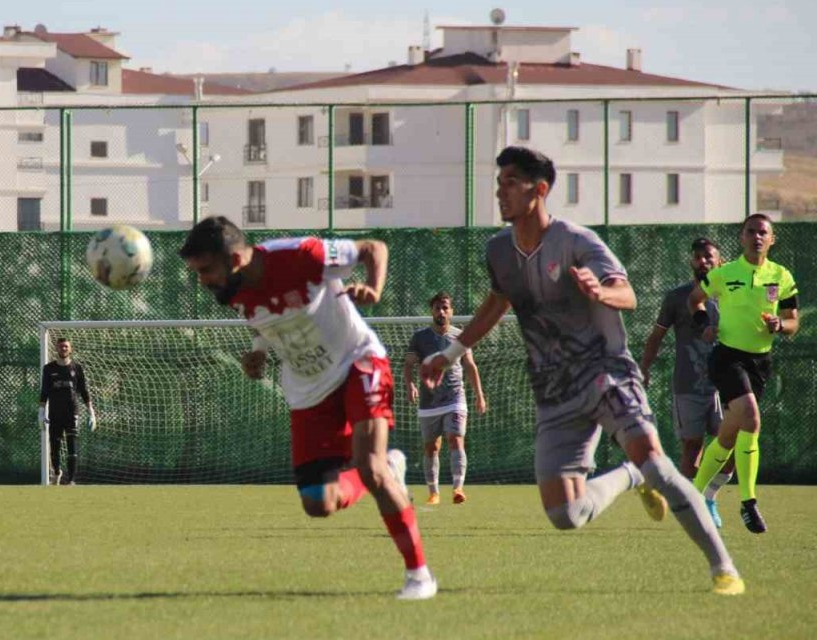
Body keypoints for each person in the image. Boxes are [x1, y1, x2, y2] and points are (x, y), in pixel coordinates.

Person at [421, 147, 743, 595]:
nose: (500, 190)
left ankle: (723, 567)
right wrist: (451, 352)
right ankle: (628, 477)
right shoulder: (498, 250)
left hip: (606, 371)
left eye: (510, 181)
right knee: (564, 514)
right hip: (554, 390)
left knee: (652, 458)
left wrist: (600, 291)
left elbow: (627, 294)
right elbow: (498, 301)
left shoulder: (576, 241)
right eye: (499, 181)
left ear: (540, 190)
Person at [179, 216, 437, 600]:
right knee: (318, 503)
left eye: (205, 270)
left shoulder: (302, 254)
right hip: (309, 387)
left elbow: (373, 249)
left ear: (234, 259)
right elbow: (260, 321)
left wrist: (374, 286)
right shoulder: (233, 292)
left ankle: (419, 576)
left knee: (369, 466)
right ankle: (391, 466)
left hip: (358, 361)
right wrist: (258, 352)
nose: (202, 280)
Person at [689, 214, 799, 534]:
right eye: (750, 231)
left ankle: (698, 495)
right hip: (727, 358)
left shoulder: (781, 276)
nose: (756, 237)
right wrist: (703, 325)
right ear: (741, 237)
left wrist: (781, 325)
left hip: (759, 363)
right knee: (751, 418)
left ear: (772, 239)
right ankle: (748, 503)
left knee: (728, 435)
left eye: (763, 232)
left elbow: (792, 321)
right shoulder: (724, 274)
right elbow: (695, 300)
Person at [638, 238, 733, 527]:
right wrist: (643, 368)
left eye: (708, 256)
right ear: (691, 262)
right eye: (697, 257)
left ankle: (709, 498)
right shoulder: (677, 297)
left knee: (729, 447)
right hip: (689, 384)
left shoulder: (731, 293)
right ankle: (688, 507)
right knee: (692, 448)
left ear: (719, 261)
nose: (702, 261)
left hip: (727, 384)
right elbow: (656, 336)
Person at [403, 291, 487, 505]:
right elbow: (409, 364)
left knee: (455, 439)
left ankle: (458, 488)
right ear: (432, 311)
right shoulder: (420, 337)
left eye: (445, 308)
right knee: (432, 447)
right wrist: (410, 384)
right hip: (428, 400)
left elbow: (469, 365)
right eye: (437, 308)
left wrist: (479, 394)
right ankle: (434, 492)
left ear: (451, 311)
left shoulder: (461, 336)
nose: (441, 311)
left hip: (455, 397)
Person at [39, 338, 96, 486]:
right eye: (60, 347)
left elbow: (83, 391)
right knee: (55, 447)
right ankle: (57, 472)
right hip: (55, 413)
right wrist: (41, 412)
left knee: (72, 447)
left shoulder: (77, 368)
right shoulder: (49, 369)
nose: (63, 349)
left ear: (70, 349)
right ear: (57, 349)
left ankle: (71, 480)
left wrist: (91, 412)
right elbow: (44, 391)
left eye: (66, 347)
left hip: (72, 413)